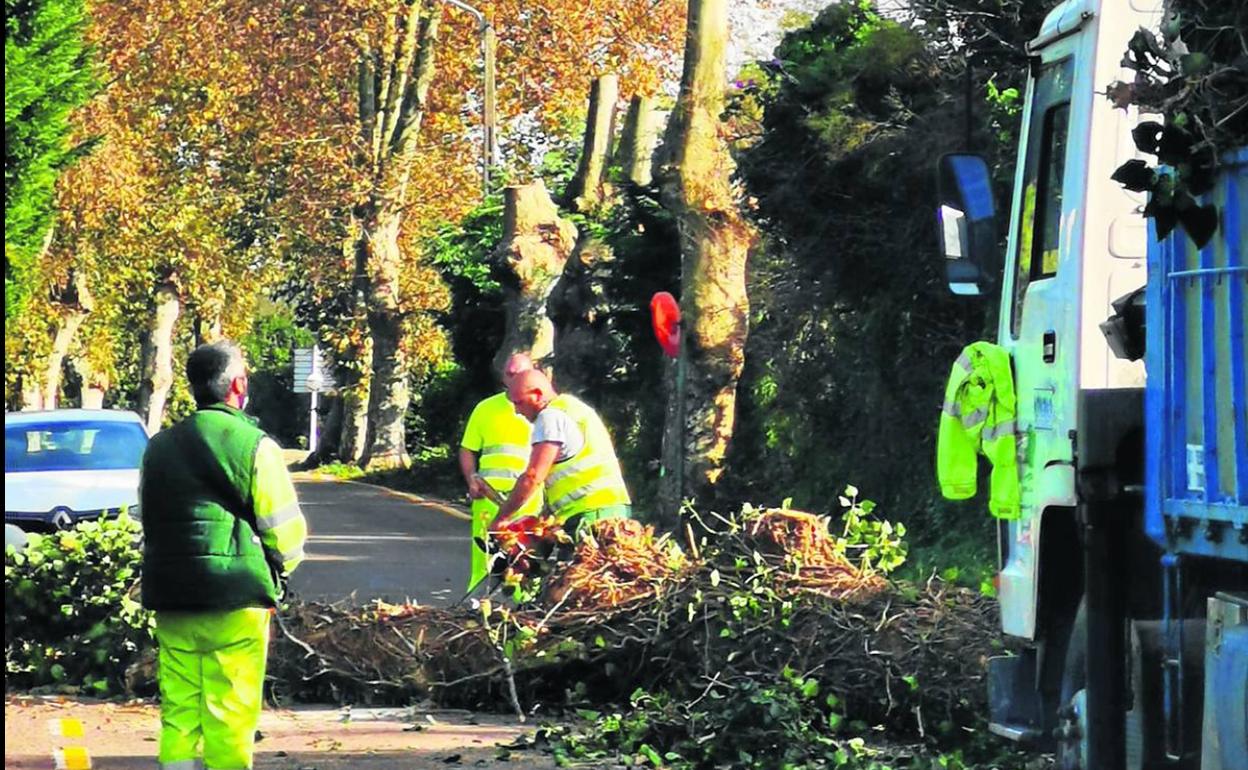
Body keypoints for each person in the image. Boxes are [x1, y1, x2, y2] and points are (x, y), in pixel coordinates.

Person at [139, 341, 308, 770]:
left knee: (179, 710)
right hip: (236, 598)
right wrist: (281, 572)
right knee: (230, 711)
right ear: (238, 384)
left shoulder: (157, 447)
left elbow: (148, 518)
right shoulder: (255, 446)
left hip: (172, 595)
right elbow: (284, 528)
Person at [490, 369, 631, 536]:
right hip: (612, 510)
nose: (516, 411)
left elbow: (533, 476)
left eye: (518, 402)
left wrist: (502, 518)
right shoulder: (574, 408)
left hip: (589, 515)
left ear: (537, 394)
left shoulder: (550, 417)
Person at [458, 353, 544, 589]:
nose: (513, 378)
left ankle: (525, 613)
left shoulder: (541, 411)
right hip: (488, 498)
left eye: (519, 374)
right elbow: (467, 449)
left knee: (524, 560)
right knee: (485, 559)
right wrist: (471, 480)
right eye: (509, 374)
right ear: (503, 376)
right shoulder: (486, 408)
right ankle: (477, 607)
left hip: (527, 500)